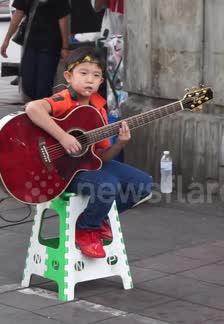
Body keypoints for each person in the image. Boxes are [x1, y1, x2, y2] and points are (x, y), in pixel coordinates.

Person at [24, 47, 152, 258]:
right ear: (69, 76)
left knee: (142, 184)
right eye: (83, 73)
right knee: (107, 186)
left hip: (85, 164)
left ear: (102, 81)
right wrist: (63, 137)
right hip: (61, 170)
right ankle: (85, 229)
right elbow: (32, 108)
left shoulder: (99, 110)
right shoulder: (63, 100)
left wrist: (119, 144)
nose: (89, 80)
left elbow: (101, 157)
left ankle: (98, 220)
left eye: (96, 75)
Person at [1, 0, 71, 101]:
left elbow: (63, 19)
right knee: (28, 83)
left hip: (50, 44)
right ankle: (37, 107)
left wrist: (65, 47)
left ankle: (42, 110)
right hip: (30, 44)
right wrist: (7, 39)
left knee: (43, 85)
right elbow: (18, 14)